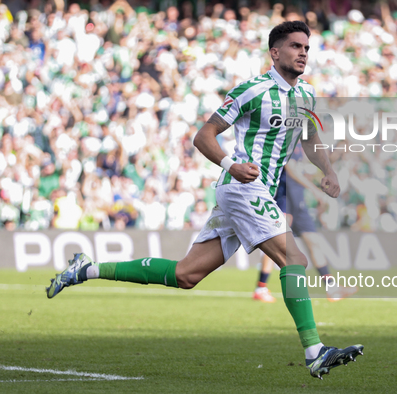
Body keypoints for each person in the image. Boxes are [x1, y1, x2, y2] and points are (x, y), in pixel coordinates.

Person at [46, 21, 363, 379]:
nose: (303, 52)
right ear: (275, 53)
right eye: (295, 46)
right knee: (294, 257)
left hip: (257, 191)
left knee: (186, 274)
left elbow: (308, 138)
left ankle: (85, 269)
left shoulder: (306, 94)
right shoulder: (252, 90)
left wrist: (329, 171)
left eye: (306, 47)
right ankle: (315, 352)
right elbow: (204, 135)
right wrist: (231, 164)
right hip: (243, 186)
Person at [253, 148, 358, 303]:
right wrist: (314, 189)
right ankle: (261, 287)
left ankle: (331, 287)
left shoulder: (300, 145)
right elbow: (291, 170)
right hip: (284, 198)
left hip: (298, 200)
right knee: (275, 243)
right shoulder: (286, 140)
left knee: (314, 242)